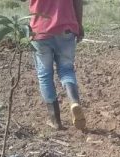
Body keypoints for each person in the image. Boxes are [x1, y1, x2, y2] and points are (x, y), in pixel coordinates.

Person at [25, 0, 86, 131]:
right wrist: (79, 25)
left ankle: (55, 120)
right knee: (66, 70)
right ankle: (74, 102)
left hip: (40, 31)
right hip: (66, 28)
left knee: (45, 75)